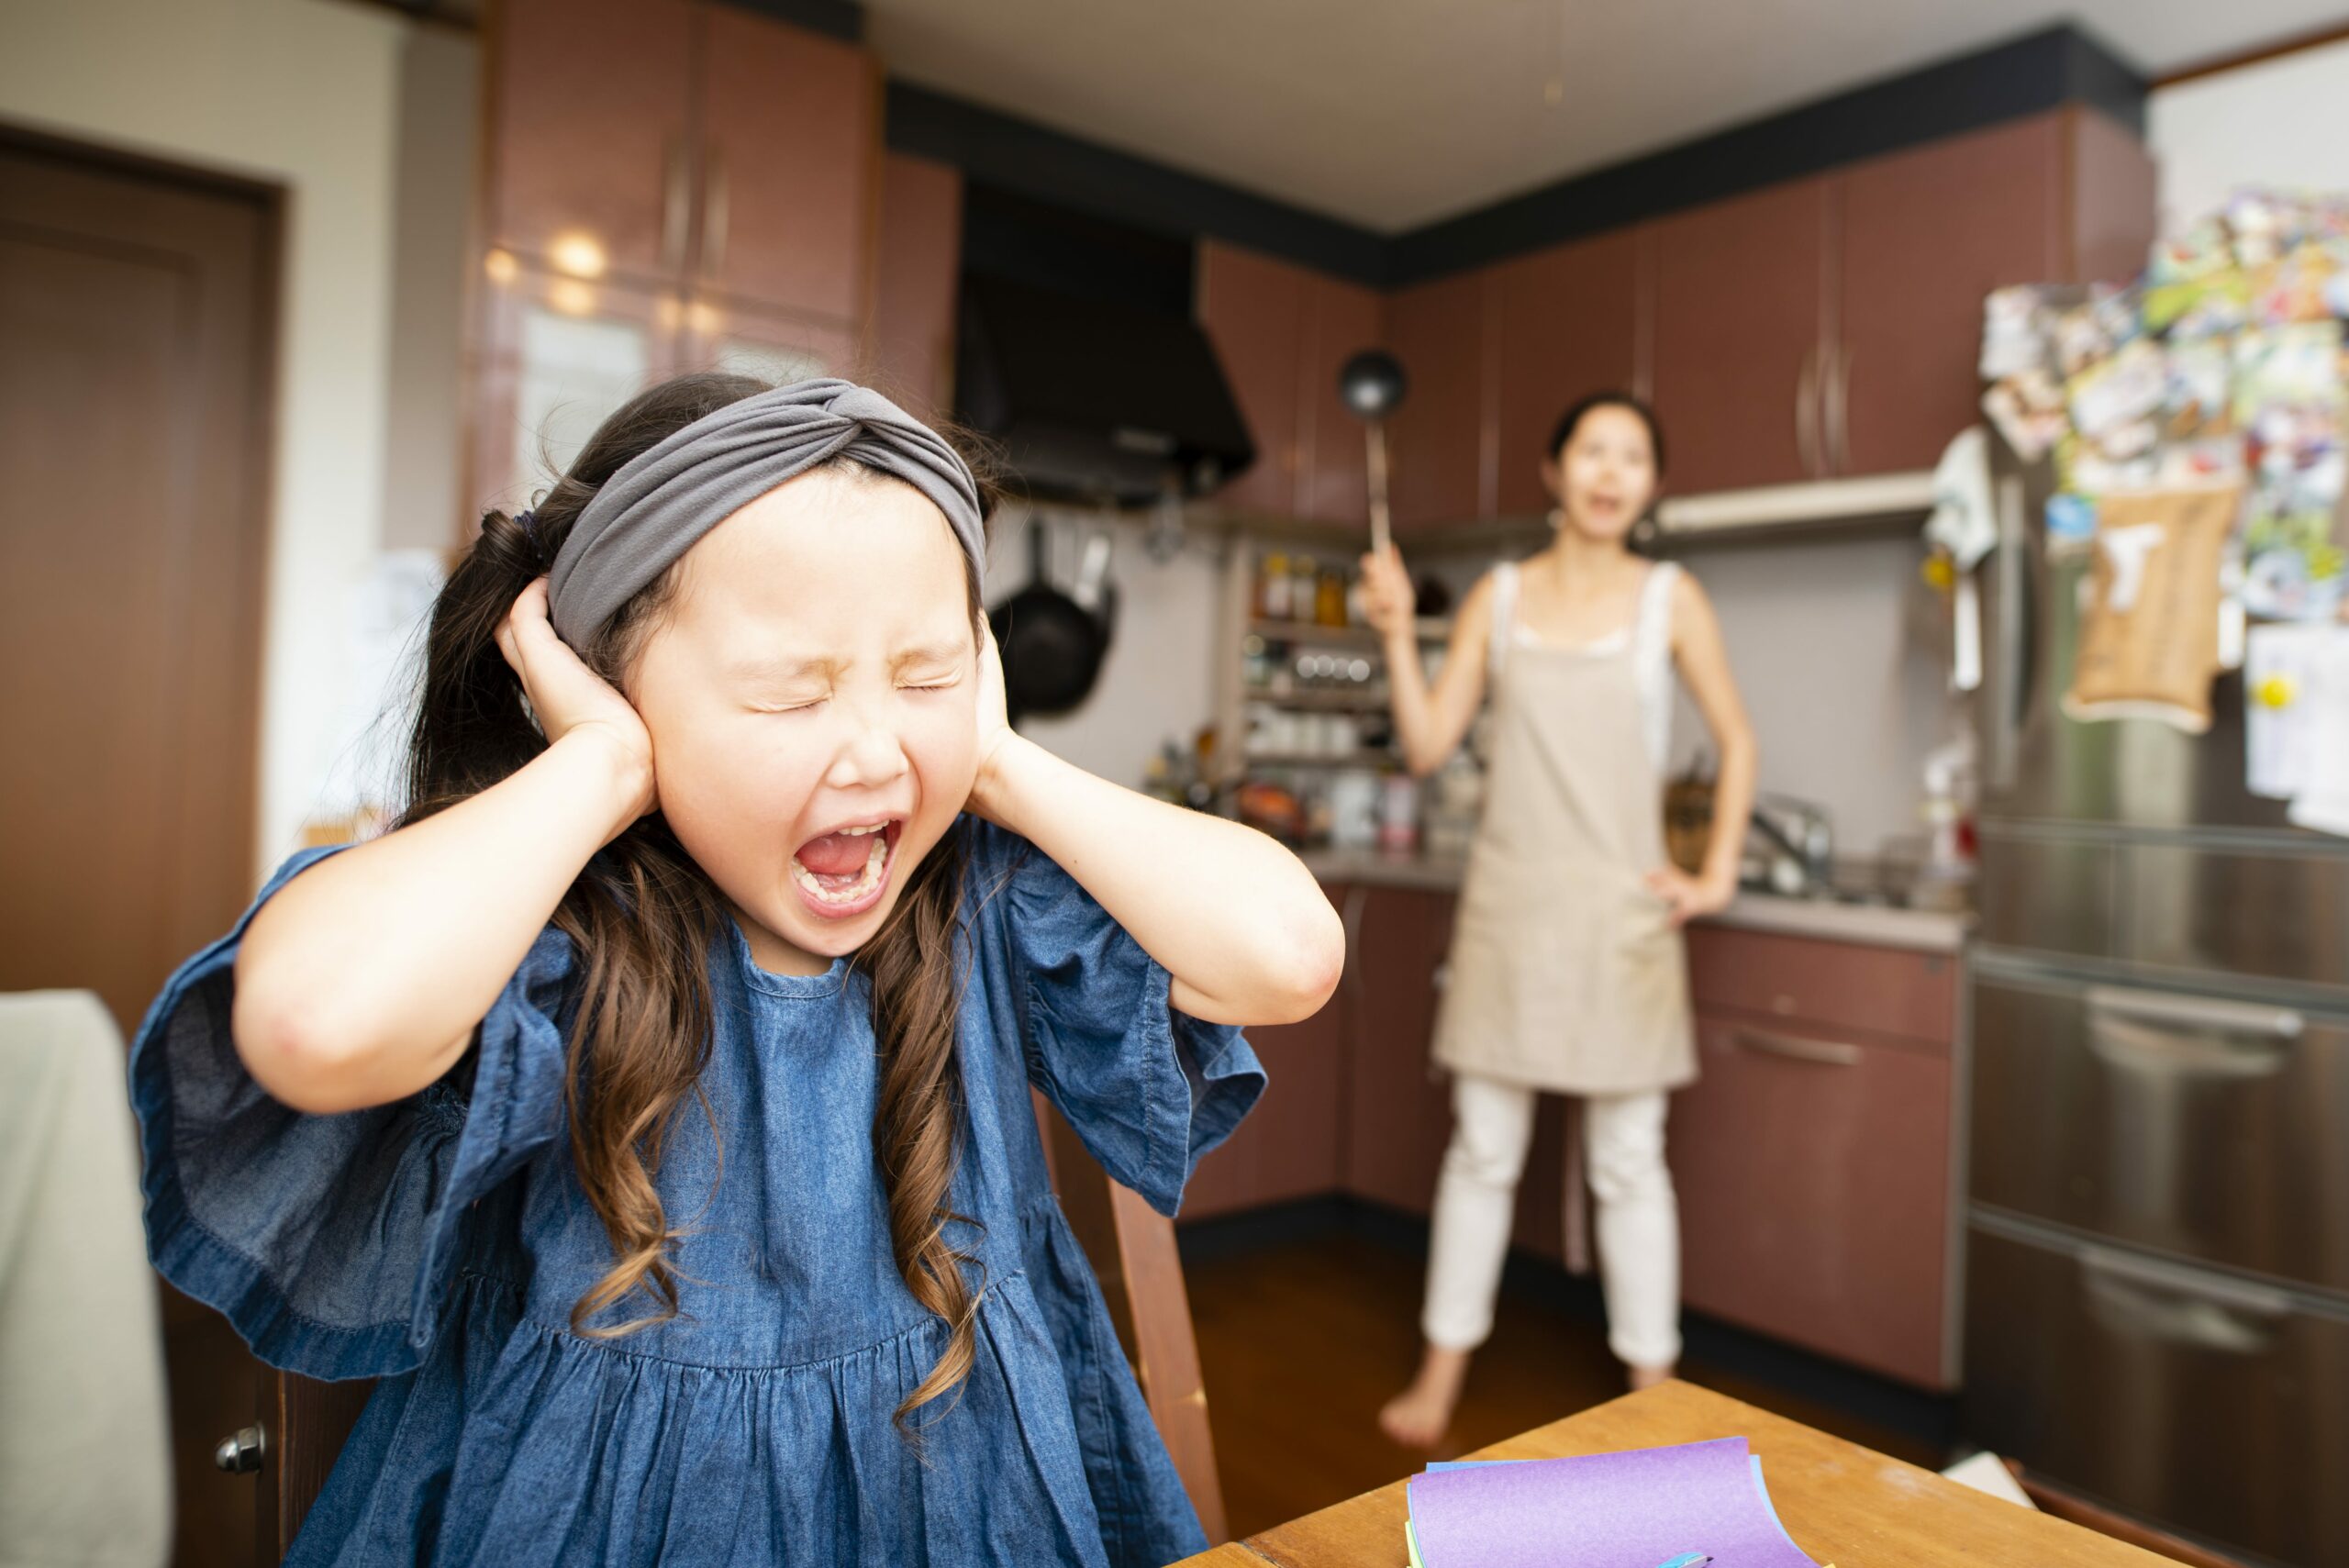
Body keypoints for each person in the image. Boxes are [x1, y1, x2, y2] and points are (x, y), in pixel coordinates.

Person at [128, 374, 1343, 1566]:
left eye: (925, 677)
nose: (876, 750)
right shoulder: (555, 936)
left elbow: (1288, 956)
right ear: (607, 683)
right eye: (787, 690)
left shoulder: (983, 899)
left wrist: (1000, 763)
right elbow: (314, 1020)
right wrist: (601, 762)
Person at [1362, 393, 1755, 1449]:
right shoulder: (1501, 594)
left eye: (1634, 454)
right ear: (1554, 466)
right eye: (1593, 449)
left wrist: (1711, 873)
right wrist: (1401, 631)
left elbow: (1736, 739)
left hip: (1621, 914)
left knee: (1630, 1158)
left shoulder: (1671, 597)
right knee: (1483, 1149)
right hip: (1510, 907)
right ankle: (1440, 1372)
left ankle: (1652, 1392)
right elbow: (1426, 744)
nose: (1610, 471)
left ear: (1651, 485)